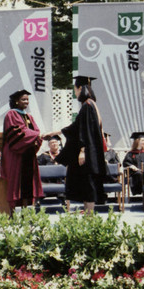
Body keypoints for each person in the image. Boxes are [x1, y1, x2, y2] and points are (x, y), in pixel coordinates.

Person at [44, 76, 107, 214]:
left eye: (75, 89)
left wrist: (83, 150)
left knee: (89, 183)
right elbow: (76, 127)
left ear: (80, 88)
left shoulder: (87, 106)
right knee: (85, 182)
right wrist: (56, 132)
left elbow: (85, 131)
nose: (75, 93)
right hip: (93, 151)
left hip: (87, 152)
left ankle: (90, 216)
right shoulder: (92, 105)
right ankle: (87, 213)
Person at [0, 90, 44, 213]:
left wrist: (37, 137)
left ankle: (25, 212)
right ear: (16, 101)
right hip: (16, 154)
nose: (26, 102)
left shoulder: (29, 116)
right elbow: (18, 132)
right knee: (15, 182)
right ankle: (12, 213)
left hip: (28, 154)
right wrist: (36, 135)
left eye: (27, 100)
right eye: (23, 99)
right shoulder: (11, 114)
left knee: (27, 185)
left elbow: (36, 130)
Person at [122, 132, 144, 197]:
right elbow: (125, 163)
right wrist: (131, 166)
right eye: (142, 140)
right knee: (139, 174)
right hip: (135, 174)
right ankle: (141, 192)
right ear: (137, 141)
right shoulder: (131, 153)